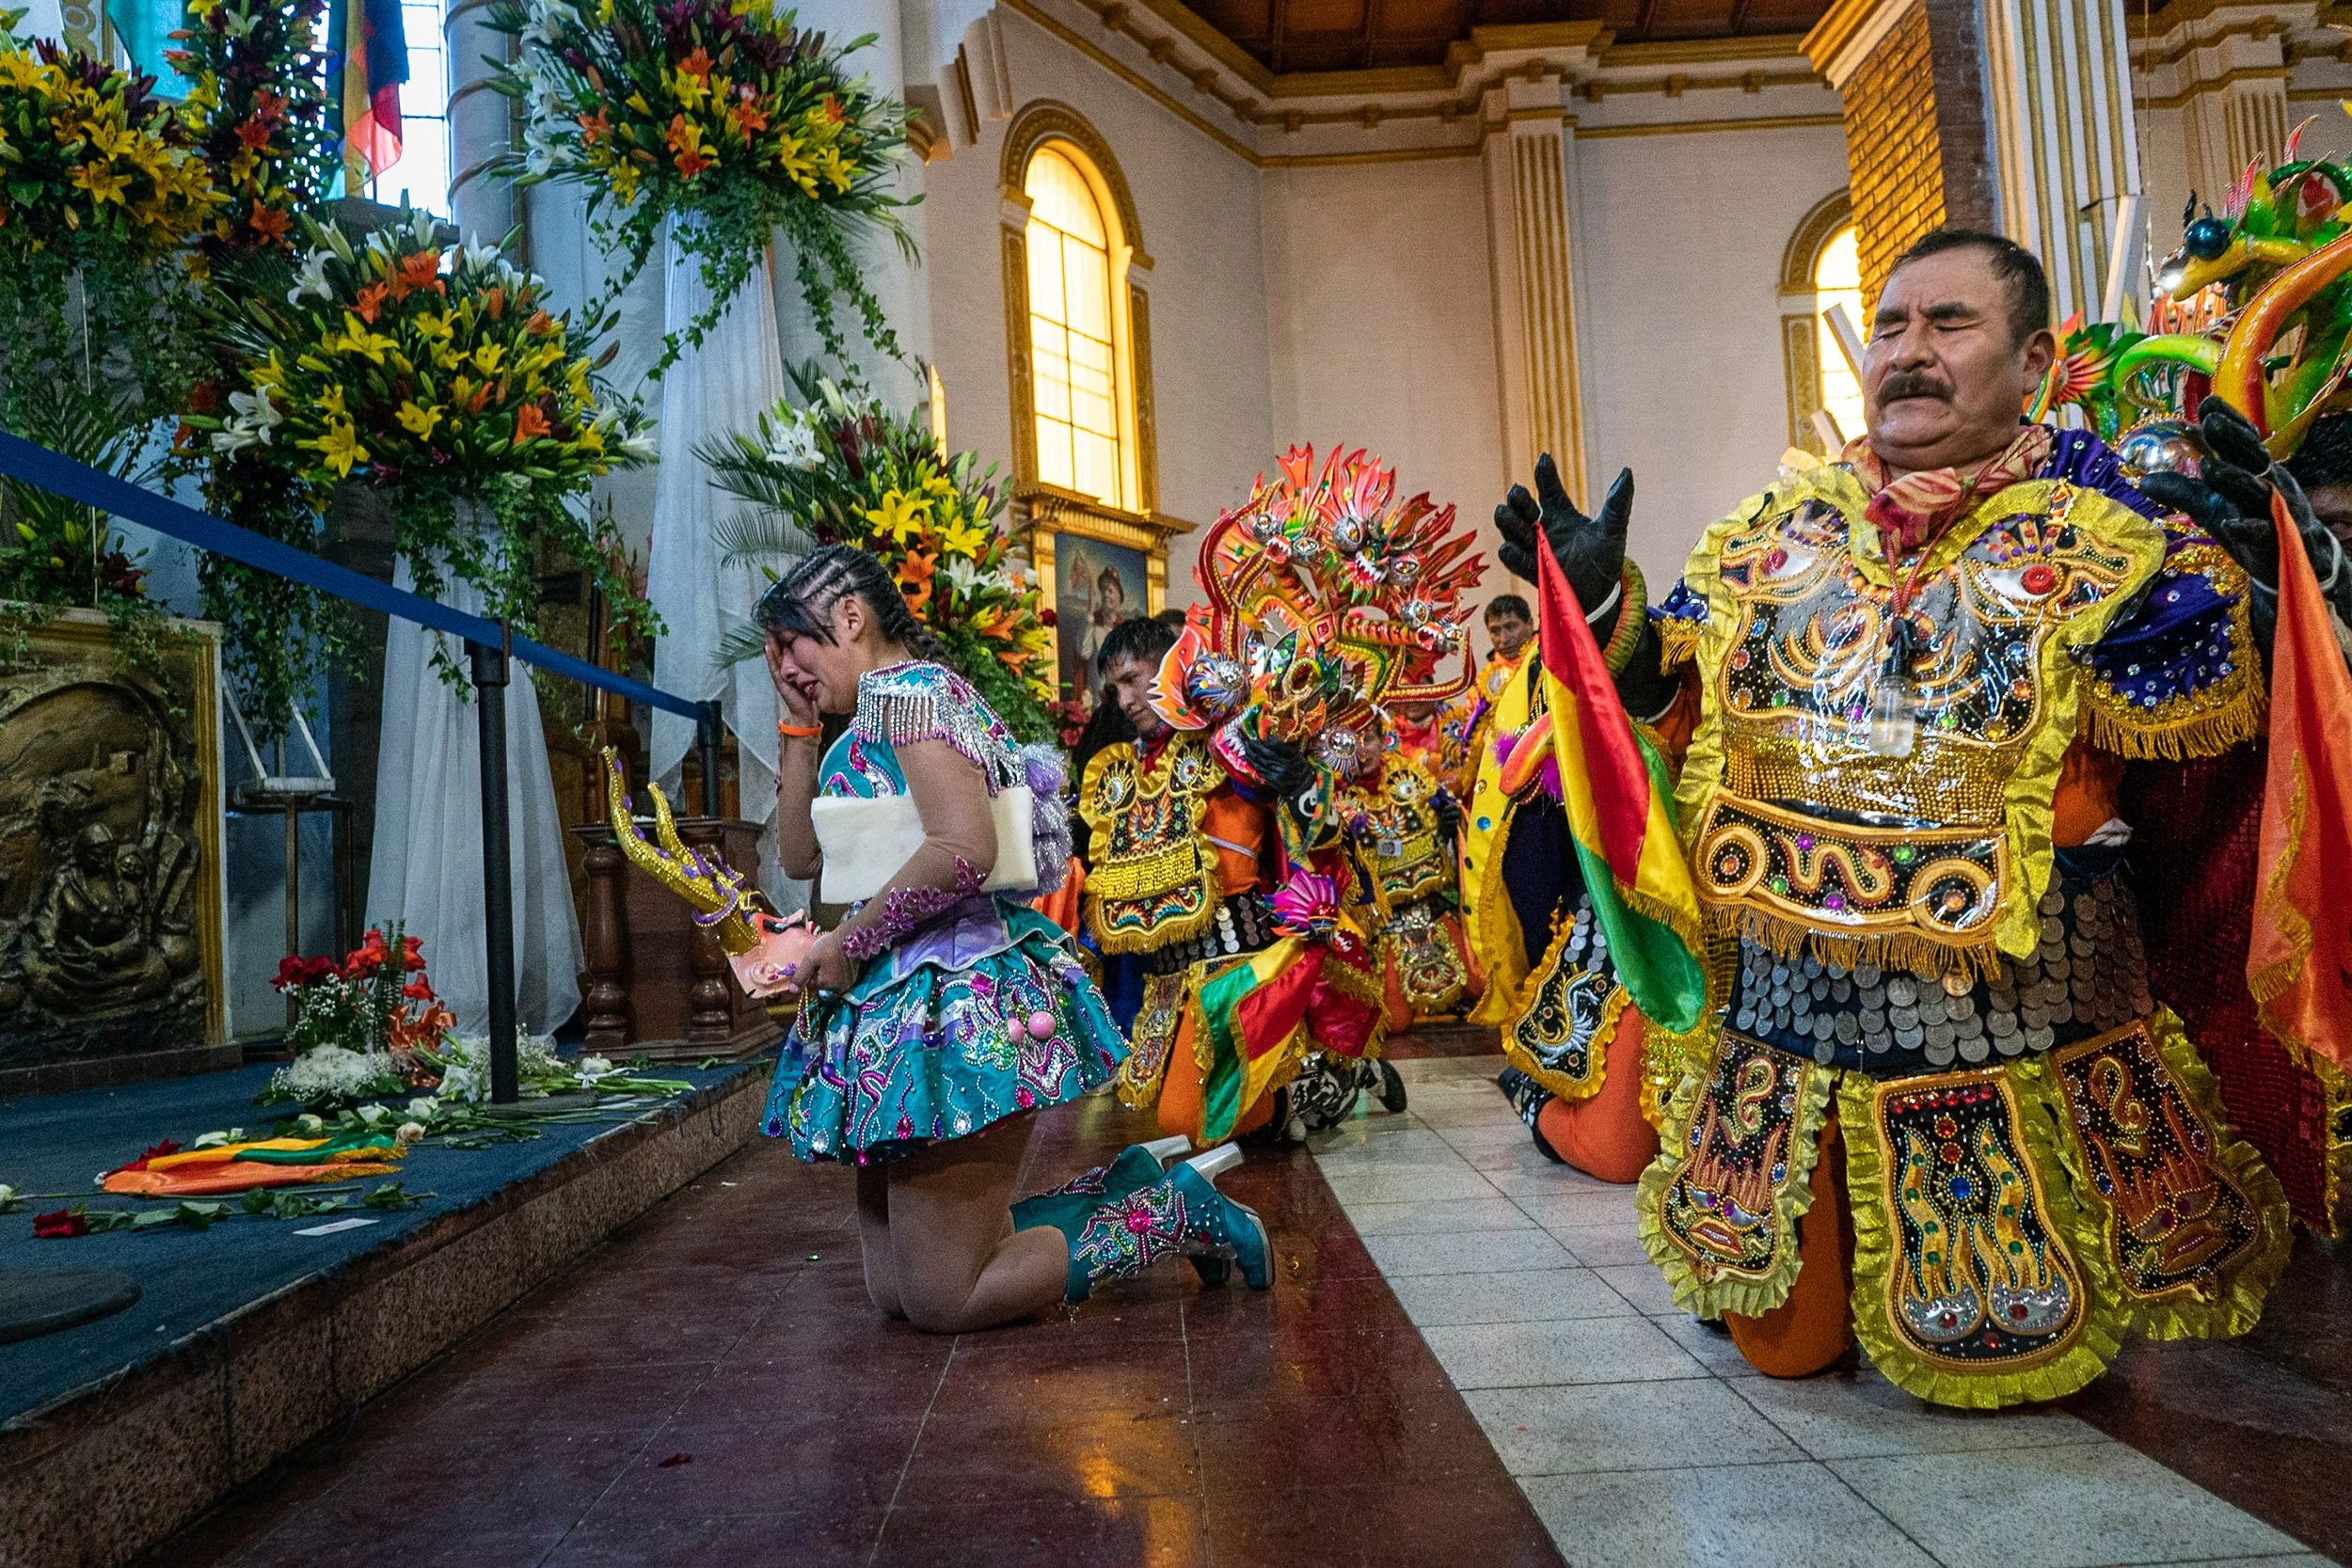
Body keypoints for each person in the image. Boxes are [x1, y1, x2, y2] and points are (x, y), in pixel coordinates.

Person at [1501, 229, 2338, 1405]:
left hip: (2023, 1032)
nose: (1908, 351)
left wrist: (2273, 597)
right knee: (1780, 1348)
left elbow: (2232, 754)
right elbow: (1670, 717)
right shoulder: (1775, 533)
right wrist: (1601, 617)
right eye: (1891, 324)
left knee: (2009, 1377)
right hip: (1784, 1043)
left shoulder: (2118, 533)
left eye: (1949, 324)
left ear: (2035, 355)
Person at [755, 545, 1269, 1330]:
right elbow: (800, 857)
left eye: (791, 643)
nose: (785, 663)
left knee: (940, 1296)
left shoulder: (916, 696)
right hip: (891, 1001)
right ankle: (1124, 1189)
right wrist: (797, 726)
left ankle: (1177, 1216)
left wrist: (851, 942)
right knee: (896, 1289)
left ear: (848, 618)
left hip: (954, 996)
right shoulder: (868, 717)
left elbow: (964, 849)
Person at [1075, 614, 1391, 1138]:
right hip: (1164, 979)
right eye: (1116, 688)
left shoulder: (1234, 744)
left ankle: (1318, 1084)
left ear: (1172, 663)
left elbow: (1317, 836)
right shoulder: (1119, 769)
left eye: (1134, 679)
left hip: (1236, 965)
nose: (1126, 699)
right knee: (1165, 1117)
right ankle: (1297, 1093)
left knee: (1188, 1120)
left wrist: (1297, 781)